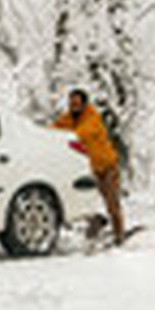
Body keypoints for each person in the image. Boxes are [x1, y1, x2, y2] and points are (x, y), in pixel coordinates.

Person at [52, 88, 126, 245]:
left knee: (112, 202)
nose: (73, 106)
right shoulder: (69, 119)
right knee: (83, 200)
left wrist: (64, 134)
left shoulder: (92, 118)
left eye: (77, 103)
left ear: (84, 104)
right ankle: (98, 223)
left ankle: (119, 235)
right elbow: (54, 128)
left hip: (107, 167)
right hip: (90, 168)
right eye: (71, 103)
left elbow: (81, 134)